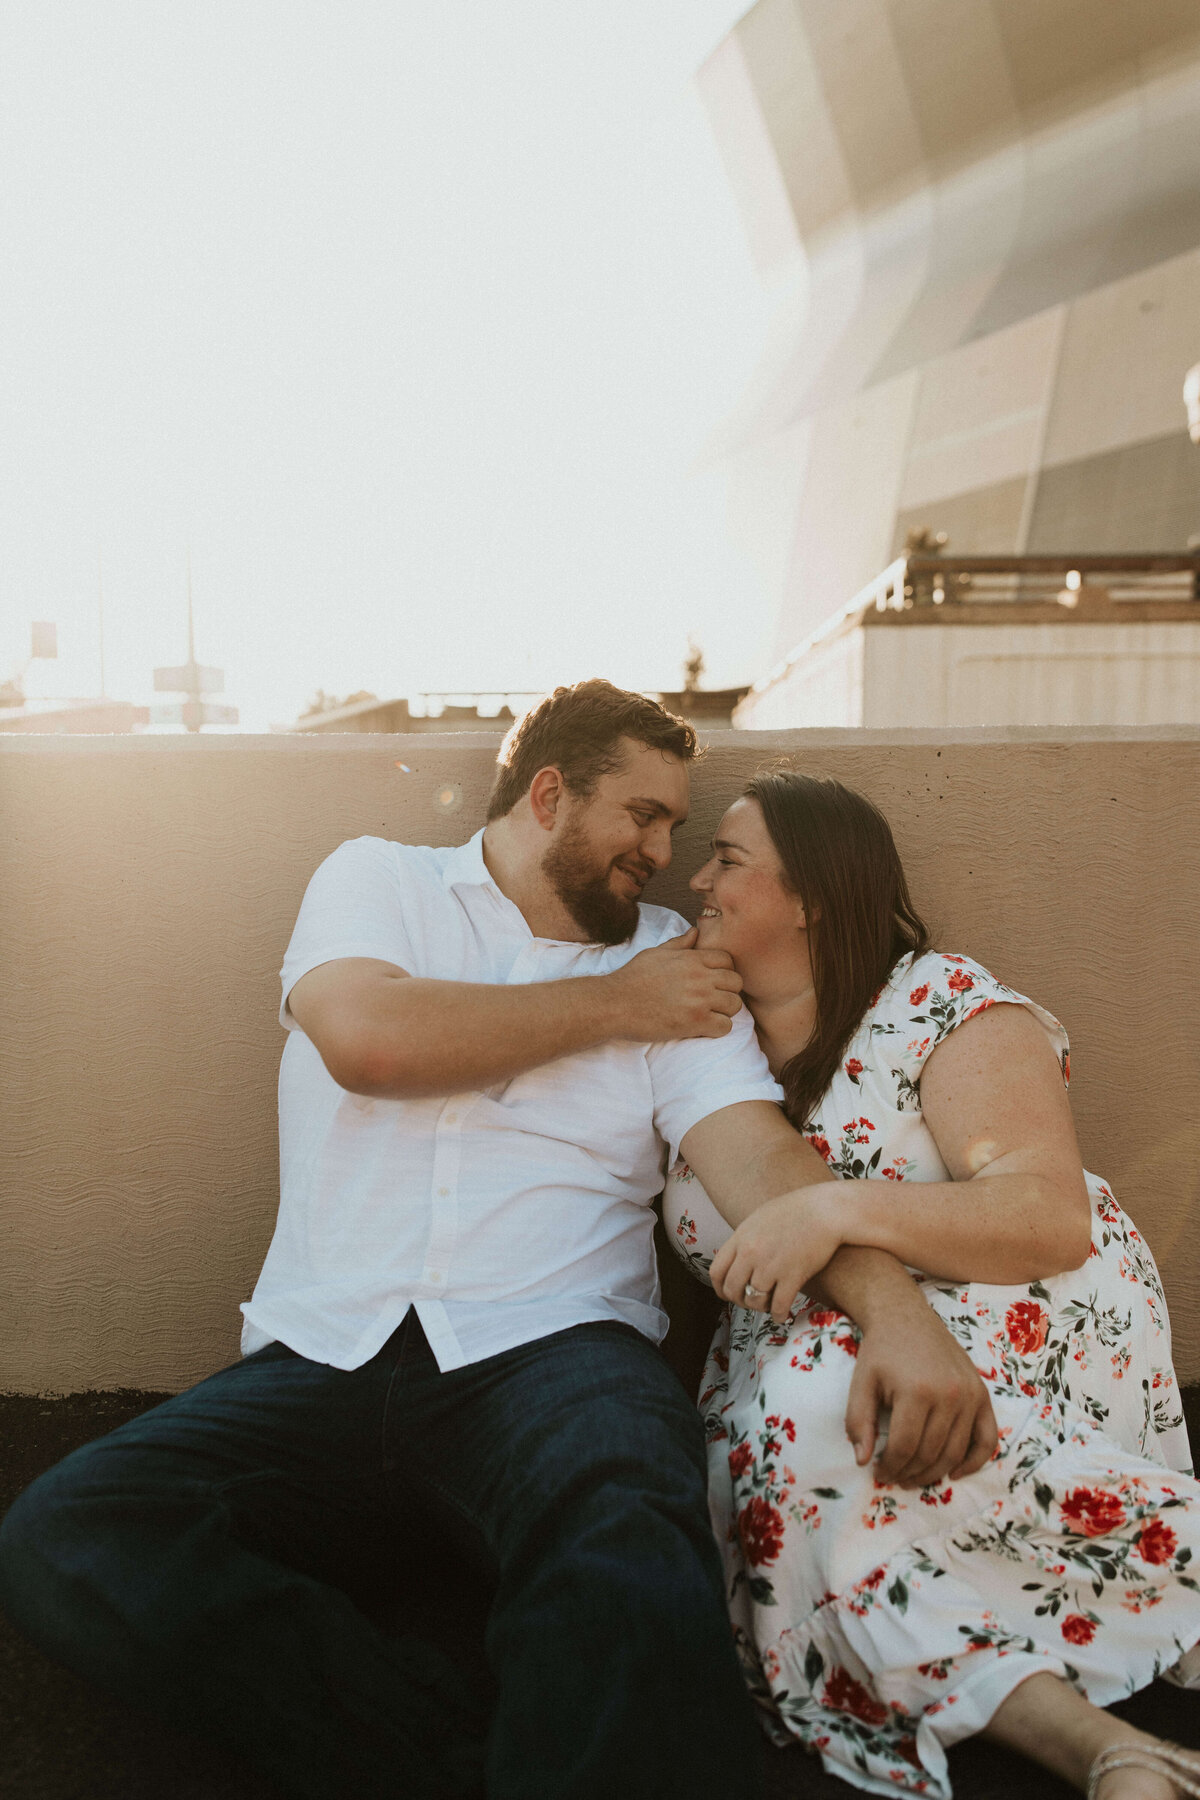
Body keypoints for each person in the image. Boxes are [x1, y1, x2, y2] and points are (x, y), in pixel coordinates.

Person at [0, 682, 989, 1800]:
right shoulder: (382, 881)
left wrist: (899, 1315)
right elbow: (368, 1040)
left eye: (677, 826)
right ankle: (436, 1752)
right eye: (645, 815)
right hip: (328, 1352)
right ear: (550, 793)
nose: (664, 853)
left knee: (631, 1535)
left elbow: (759, 1162)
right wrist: (618, 1005)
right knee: (69, 1533)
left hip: (556, 1359)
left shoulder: (676, 961)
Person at [662, 769, 1200, 1800]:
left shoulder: (935, 1001)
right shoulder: (704, 1054)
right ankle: (1106, 1750)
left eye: (727, 858)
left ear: (815, 891)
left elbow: (1043, 1214)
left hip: (1021, 1309)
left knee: (828, 1414)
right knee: (815, 1416)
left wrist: (832, 1207)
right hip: (799, 1351)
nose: (698, 879)